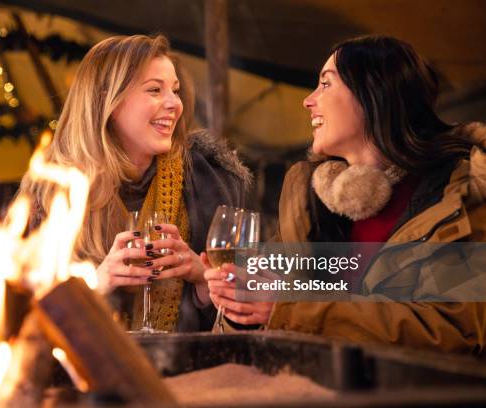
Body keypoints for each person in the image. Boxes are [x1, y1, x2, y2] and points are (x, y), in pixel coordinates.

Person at [205, 35, 485, 354]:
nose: (308, 101)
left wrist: (288, 309)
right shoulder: (310, 200)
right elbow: (266, 303)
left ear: (374, 94)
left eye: (326, 84)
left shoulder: (461, 192)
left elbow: (452, 330)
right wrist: (240, 306)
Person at [19, 34, 251, 332]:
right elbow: (19, 323)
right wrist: (96, 283)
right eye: (155, 90)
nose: (174, 105)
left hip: (193, 371)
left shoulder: (212, 181)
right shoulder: (52, 194)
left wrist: (201, 276)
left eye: (175, 90)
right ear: (109, 102)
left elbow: (251, 311)